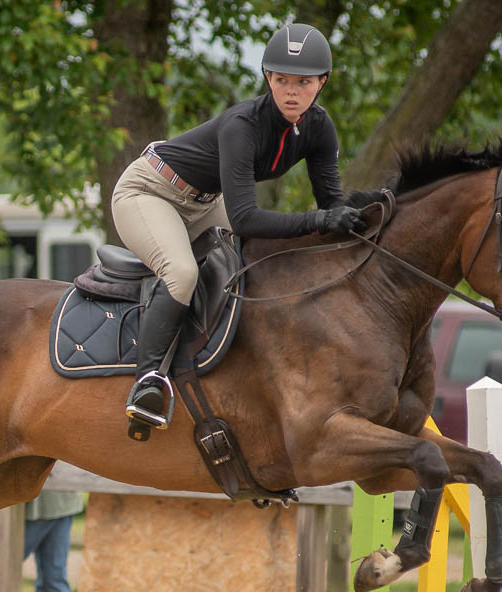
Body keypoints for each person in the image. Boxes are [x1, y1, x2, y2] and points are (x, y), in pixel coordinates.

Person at [113, 22, 367, 431]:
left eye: (302, 82)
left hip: (202, 203)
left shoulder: (318, 128)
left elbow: (331, 206)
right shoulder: (243, 125)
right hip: (150, 191)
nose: (290, 91)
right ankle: (148, 380)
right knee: (181, 273)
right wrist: (321, 219)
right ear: (268, 78)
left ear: (321, 82)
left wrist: (363, 215)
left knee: (255, 266)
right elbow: (248, 218)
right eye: (281, 79)